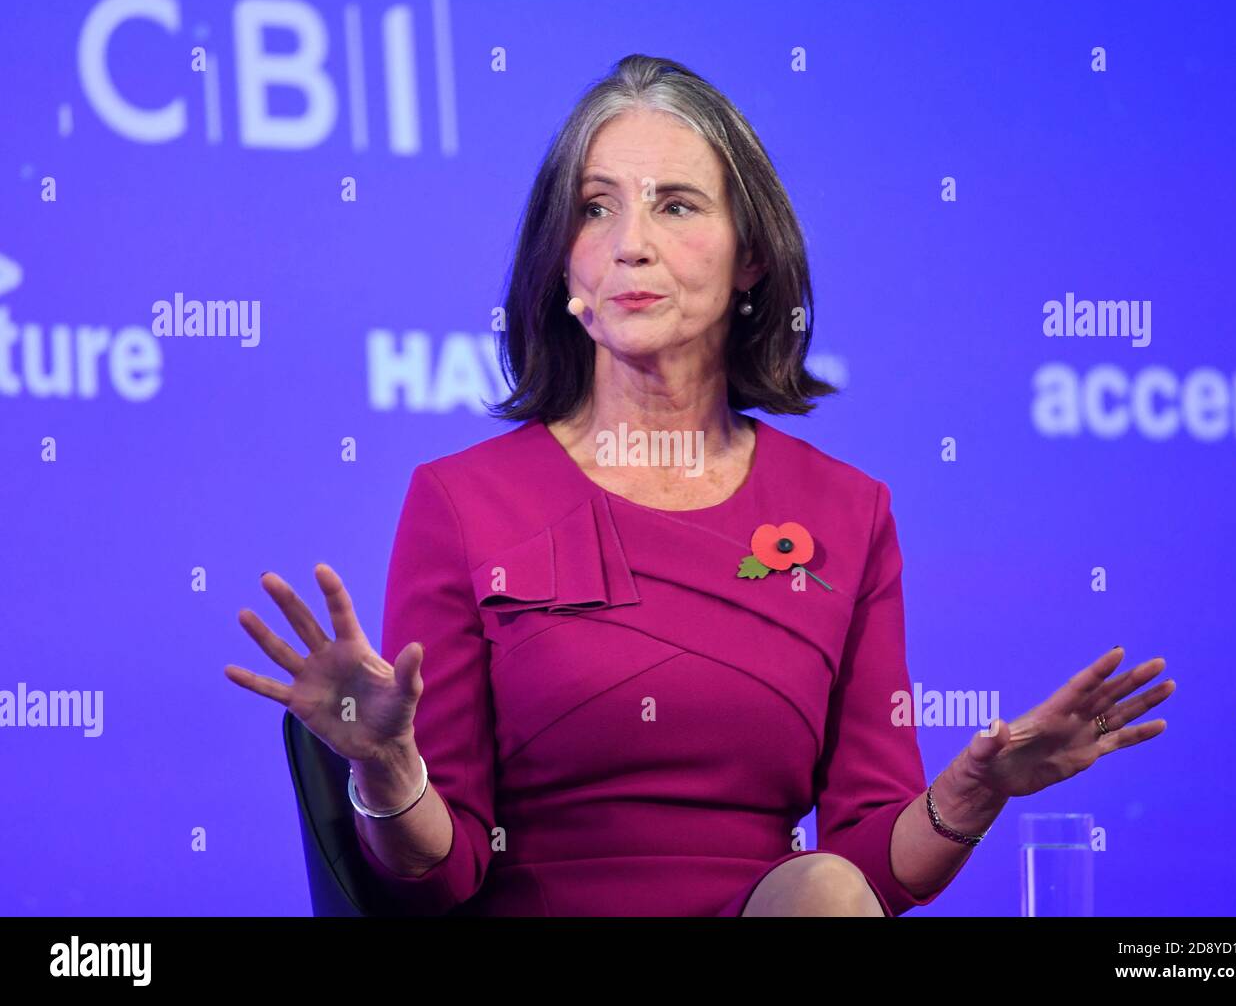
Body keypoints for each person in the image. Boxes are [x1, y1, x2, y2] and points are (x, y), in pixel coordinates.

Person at [224, 54, 1174, 917]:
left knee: (830, 890)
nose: (630, 242)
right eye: (596, 208)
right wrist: (389, 765)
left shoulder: (849, 512)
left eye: (675, 204)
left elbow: (871, 864)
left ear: (750, 259)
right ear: (565, 267)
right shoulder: (463, 501)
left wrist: (974, 793)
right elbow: (443, 868)